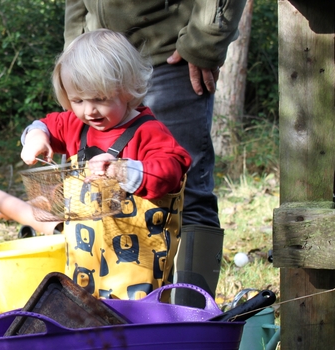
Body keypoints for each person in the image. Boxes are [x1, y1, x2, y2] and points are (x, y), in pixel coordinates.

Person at [64, 0, 247, 302]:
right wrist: (75, 60)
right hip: (95, 65)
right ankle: (107, 316)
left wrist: (206, 38)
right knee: (95, 195)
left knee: (186, 193)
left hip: (169, 55)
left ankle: (191, 322)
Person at [21, 29, 191, 300]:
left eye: (100, 99)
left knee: (134, 318)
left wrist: (123, 170)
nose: (89, 110)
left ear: (127, 89)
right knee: (87, 311)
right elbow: (45, 125)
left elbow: (171, 171)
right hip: (85, 261)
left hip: (137, 268)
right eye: (78, 100)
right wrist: (36, 138)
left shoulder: (148, 132)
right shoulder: (76, 125)